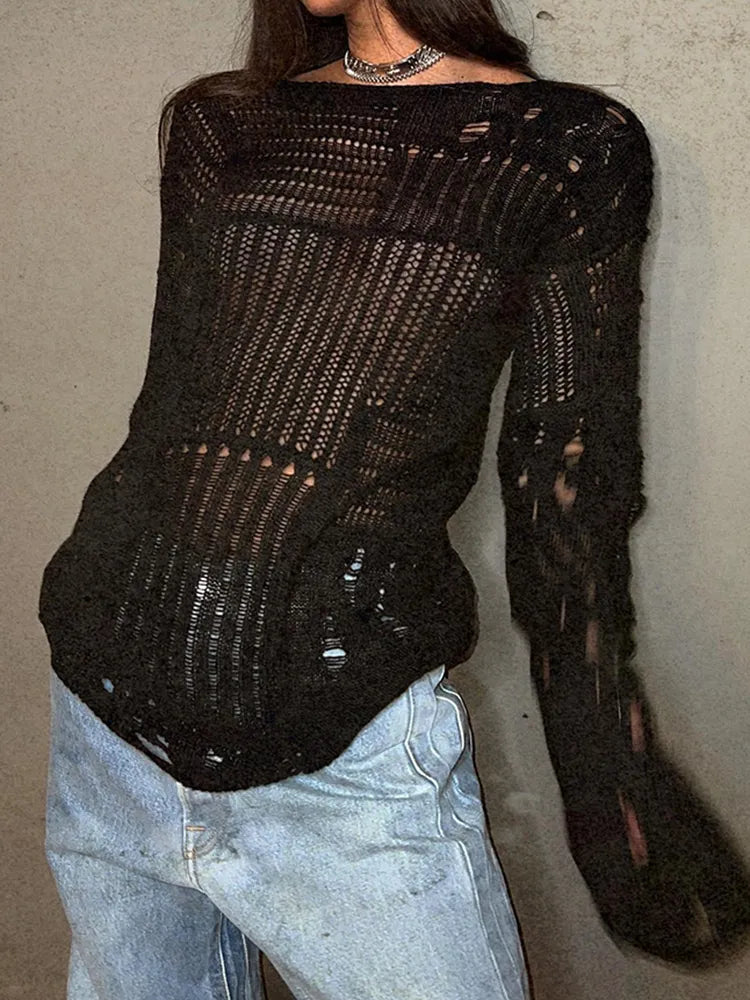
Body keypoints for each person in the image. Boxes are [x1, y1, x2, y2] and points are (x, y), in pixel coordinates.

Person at [39, 1, 750, 998]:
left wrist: (607, 780)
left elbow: (565, 487)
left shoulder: (566, 149)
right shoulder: (221, 123)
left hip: (341, 752)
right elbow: (176, 411)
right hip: (103, 711)